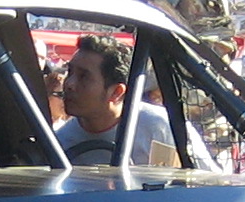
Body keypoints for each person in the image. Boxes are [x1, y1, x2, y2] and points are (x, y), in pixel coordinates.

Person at [55, 37, 211, 167]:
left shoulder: (162, 127)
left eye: (84, 77)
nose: (69, 84)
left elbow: (206, 180)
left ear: (117, 92)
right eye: (70, 72)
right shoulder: (60, 142)